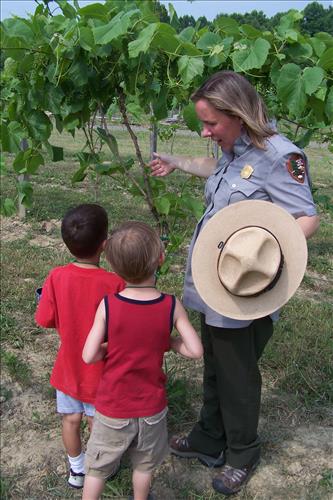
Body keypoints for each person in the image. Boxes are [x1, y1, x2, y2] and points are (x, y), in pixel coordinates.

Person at [150, 70, 319, 495]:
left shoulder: (281, 155)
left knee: (237, 375)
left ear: (238, 114)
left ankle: (243, 453)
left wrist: (259, 256)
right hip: (215, 286)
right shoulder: (236, 149)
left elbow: (307, 217)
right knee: (216, 364)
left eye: (211, 124)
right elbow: (219, 170)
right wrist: (177, 162)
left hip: (243, 290)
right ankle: (210, 437)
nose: (206, 132)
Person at [81, 221, 203, 500]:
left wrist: (110, 347)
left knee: (98, 468)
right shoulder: (171, 305)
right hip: (151, 407)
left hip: (113, 406)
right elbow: (195, 351)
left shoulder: (108, 305)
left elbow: (88, 355)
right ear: (160, 259)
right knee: (144, 464)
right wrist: (169, 343)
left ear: (113, 266)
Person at [35, 203, 125, 489]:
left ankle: (77, 471)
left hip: (68, 368)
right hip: (102, 369)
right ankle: (101, 468)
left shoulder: (55, 277)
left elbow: (45, 319)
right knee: (95, 423)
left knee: (71, 419)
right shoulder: (115, 283)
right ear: (105, 244)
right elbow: (122, 331)